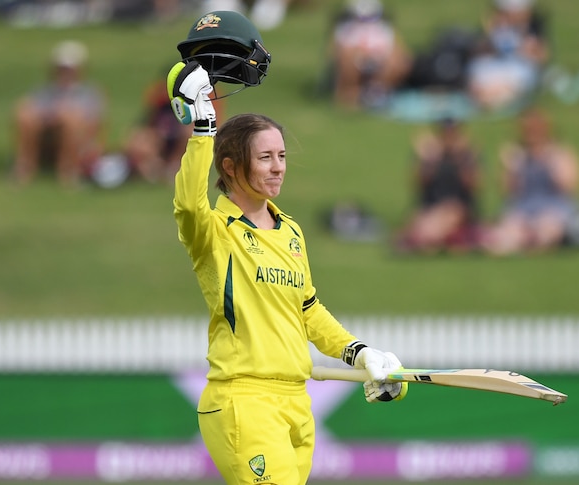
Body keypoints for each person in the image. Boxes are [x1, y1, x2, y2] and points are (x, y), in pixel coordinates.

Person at [167, 11, 407, 485]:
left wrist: (360, 354)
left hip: (297, 402)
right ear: (232, 167)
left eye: (281, 157)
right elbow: (188, 204)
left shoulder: (291, 231)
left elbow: (308, 310)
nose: (278, 168)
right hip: (243, 401)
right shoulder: (214, 230)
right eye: (265, 158)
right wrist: (202, 132)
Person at [481, 108, 579, 255]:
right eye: (527, 128)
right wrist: (510, 167)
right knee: (503, 238)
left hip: (554, 207)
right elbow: (507, 191)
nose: (531, 133)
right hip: (524, 207)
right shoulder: (518, 154)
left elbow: (569, 187)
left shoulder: (560, 152)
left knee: (544, 231)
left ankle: (537, 241)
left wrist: (550, 162)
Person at [12, 40, 106, 187]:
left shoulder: (89, 93)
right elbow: (33, 110)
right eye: (61, 68)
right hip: (48, 136)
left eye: (69, 69)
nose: (65, 73)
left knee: (71, 119)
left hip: (80, 142)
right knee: (24, 113)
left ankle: (69, 171)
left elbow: (94, 125)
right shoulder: (45, 92)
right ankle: (24, 167)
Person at [394, 118, 482, 254]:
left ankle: (425, 241)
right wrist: (429, 158)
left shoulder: (467, 155)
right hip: (431, 206)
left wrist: (460, 157)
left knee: (444, 217)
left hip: (458, 207)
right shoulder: (432, 155)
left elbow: (472, 184)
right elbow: (419, 181)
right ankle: (427, 240)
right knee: (417, 221)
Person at [123, 71, 224, 184]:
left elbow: (209, 126)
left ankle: (174, 167)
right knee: (140, 137)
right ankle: (151, 167)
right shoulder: (160, 98)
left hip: (182, 142)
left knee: (189, 132)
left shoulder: (200, 97)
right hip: (162, 140)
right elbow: (148, 122)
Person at [466, 0, 550, 112]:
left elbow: (542, 57)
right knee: (478, 71)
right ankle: (488, 97)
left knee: (513, 81)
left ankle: (491, 99)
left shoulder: (533, 28)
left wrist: (526, 46)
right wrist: (489, 31)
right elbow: (480, 51)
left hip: (519, 68)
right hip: (497, 65)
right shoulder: (496, 26)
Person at [328, 0, 412, 110]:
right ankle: (350, 95)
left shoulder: (384, 29)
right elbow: (335, 51)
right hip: (355, 60)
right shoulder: (346, 29)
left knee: (398, 60)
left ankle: (378, 92)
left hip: (380, 59)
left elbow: (398, 49)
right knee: (347, 58)